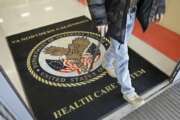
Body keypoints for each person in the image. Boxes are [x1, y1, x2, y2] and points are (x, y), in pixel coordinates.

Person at [87, 0, 165, 107]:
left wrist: (159, 5)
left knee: (118, 46)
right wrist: (100, 18)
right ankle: (128, 92)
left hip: (131, 12)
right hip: (115, 14)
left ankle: (107, 62)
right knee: (122, 56)